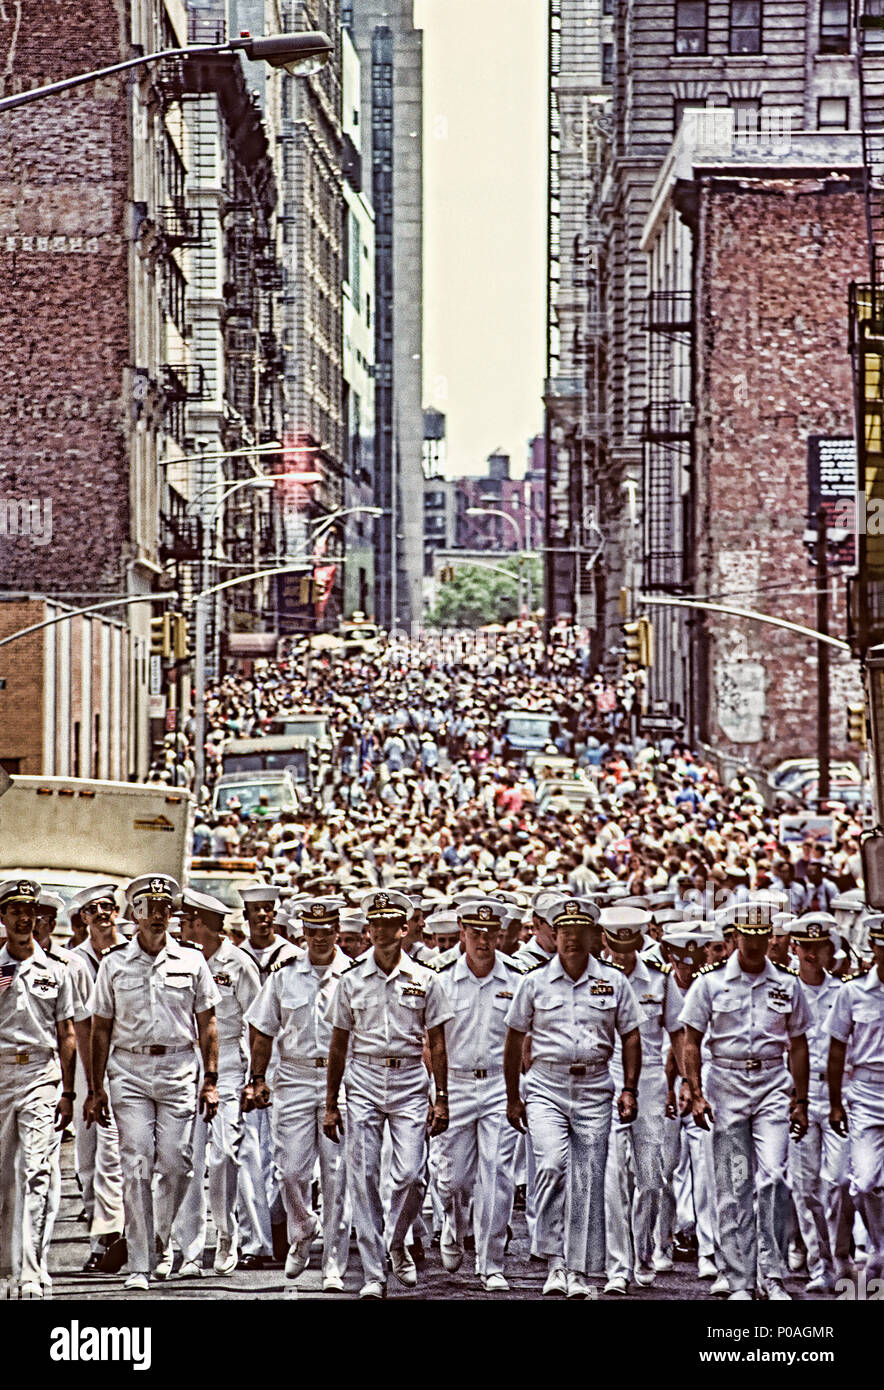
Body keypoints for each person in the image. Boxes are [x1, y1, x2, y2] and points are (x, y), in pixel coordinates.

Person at [86, 874, 221, 1291]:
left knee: (178, 1163)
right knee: (138, 1162)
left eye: (165, 909)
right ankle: (141, 1263)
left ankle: (163, 1237)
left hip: (180, 1068)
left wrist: (211, 1079)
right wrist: (95, 1088)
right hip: (129, 1071)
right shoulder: (113, 964)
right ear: (135, 915)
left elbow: (208, 1024)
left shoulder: (192, 961)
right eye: (149, 909)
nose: (159, 916)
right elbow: (100, 1029)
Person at [504, 897, 643, 1300]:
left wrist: (630, 1087)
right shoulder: (534, 981)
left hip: (595, 1087)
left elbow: (631, 1034)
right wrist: (514, 1096)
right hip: (546, 1085)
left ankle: (576, 1271)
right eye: (564, 933)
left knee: (586, 1179)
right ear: (554, 937)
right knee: (548, 1166)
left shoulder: (614, 981)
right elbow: (513, 1038)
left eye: (579, 933)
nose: (571, 941)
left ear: (593, 937)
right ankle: (553, 1258)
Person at [323, 888, 453, 1299]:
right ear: (368, 930)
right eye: (374, 925)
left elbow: (437, 1042)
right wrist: (330, 1103)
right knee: (362, 1176)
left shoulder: (425, 979)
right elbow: (339, 1043)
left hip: (410, 1078)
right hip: (362, 1077)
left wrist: (442, 1095)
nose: (382, 932)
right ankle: (374, 1273)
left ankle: (395, 1241)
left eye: (390, 925)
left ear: (404, 929)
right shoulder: (351, 979)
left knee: (413, 1175)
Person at [679, 900, 812, 1301]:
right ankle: (738, 1278)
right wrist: (697, 1093)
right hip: (727, 1085)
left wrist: (800, 1099)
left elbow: (800, 1043)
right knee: (734, 1185)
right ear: (733, 936)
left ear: (769, 937)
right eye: (746, 936)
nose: (753, 944)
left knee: (773, 1177)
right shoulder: (710, 983)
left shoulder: (787, 984)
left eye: (760, 936)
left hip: (772, 1082)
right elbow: (691, 1040)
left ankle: (771, 1276)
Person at [243, 898, 351, 1290]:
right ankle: (303, 1226)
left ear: (338, 930)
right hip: (293, 1077)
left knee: (337, 1174)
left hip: (340, 1080)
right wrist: (258, 1077)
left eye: (327, 930)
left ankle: (334, 1264)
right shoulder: (283, 975)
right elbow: (263, 1030)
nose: (320, 938)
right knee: (290, 1170)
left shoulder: (352, 975)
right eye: (313, 930)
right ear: (302, 932)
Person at [433, 898, 525, 1292]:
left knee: (498, 1174)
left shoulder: (517, 980)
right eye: (475, 933)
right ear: (462, 932)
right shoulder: (441, 979)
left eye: (490, 934)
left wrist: (518, 1090)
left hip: (497, 1086)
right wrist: (437, 1092)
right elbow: (431, 1040)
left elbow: (524, 1039)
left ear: (500, 935)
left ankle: (491, 1262)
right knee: (452, 1178)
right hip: (454, 1082)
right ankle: (454, 1220)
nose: (483, 941)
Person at [171, 887, 261, 1277]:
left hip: (227, 1069)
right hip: (184, 1069)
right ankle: (189, 1249)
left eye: (189, 921)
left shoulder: (238, 963)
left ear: (202, 924)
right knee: (187, 1160)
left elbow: (259, 1024)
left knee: (225, 1154)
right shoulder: (182, 960)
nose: (183, 927)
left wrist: (255, 1078)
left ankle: (226, 1232)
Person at [0, 879, 79, 1298]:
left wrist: (68, 1091)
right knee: (1, 1177)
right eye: (14, 911)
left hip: (40, 1077)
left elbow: (67, 1032)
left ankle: (29, 1269)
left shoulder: (55, 971)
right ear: (3, 917)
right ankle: (4, 1263)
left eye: (29, 911)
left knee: (36, 1172)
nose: (23, 918)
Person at [601, 905, 684, 1294]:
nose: (622, 953)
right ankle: (618, 1264)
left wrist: (683, 1083)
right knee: (614, 1176)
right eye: (616, 944)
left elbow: (679, 1034)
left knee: (652, 1178)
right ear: (605, 941)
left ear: (639, 941)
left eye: (629, 944)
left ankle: (645, 1247)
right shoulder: (595, 979)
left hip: (650, 1078)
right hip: (607, 1073)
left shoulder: (660, 981)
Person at [235, 882, 301, 1271]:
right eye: (255, 910)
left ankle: (281, 1223)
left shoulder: (293, 956)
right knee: (248, 1154)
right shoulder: (233, 956)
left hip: (286, 1064)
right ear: (246, 916)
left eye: (268, 910)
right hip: (242, 1062)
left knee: (286, 1153)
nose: (262, 916)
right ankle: (254, 1239)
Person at [787, 912, 851, 1294]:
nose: (812, 955)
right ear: (796, 948)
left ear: (831, 950)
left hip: (836, 1094)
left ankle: (841, 1252)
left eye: (820, 947)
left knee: (841, 1179)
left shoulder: (843, 991)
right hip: (797, 1096)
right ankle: (819, 1262)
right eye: (806, 948)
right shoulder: (784, 989)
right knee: (805, 1185)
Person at [68, 882, 126, 1274]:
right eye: (94, 909)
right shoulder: (73, 962)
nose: (103, 914)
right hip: (84, 1070)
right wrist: (88, 1084)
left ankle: (112, 1236)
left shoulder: (129, 953)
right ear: (83, 918)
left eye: (108, 906)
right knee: (87, 1162)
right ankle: (101, 1233)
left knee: (115, 1157)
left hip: (124, 1066)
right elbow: (78, 1025)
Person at [827, 912, 884, 1283]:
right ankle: (879, 1245)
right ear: (874, 949)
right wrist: (835, 1102)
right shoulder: (853, 991)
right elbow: (836, 1049)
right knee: (865, 1181)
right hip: (865, 1090)